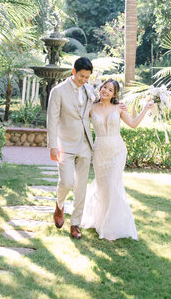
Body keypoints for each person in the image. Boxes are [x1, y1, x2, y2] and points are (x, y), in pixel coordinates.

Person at [81, 78, 155, 241]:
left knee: (113, 185)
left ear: (114, 94)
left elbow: (133, 124)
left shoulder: (119, 108)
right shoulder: (91, 108)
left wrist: (145, 109)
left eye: (110, 90)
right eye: (104, 87)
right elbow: (79, 122)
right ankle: (100, 221)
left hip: (117, 151)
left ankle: (112, 227)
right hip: (100, 150)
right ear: (100, 88)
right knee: (103, 187)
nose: (106, 91)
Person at [46, 57, 95, 240]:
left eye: (87, 77)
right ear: (73, 71)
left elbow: (95, 109)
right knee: (66, 182)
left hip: (85, 144)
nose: (84, 80)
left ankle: (75, 224)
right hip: (65, 144)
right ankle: (59, 205)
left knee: (81, 186)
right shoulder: (58, 91)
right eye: (82, 76)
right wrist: (52, 146)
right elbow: (51, 119)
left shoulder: (90, 90)